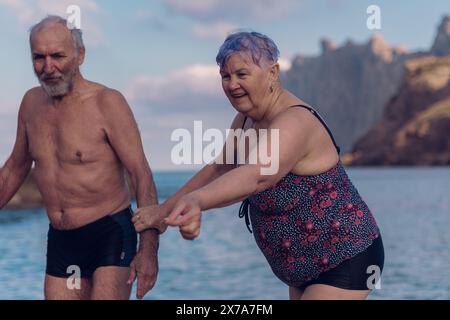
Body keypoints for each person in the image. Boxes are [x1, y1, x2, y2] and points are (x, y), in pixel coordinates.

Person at [133, 31, 384, 300]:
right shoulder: (244, 121)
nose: (232, 84)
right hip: (302, 267)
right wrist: (164, 212)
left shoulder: (295, 121)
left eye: (242, 74)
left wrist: (197, 201)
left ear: (273, 72)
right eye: (225, 76)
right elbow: (220, 168)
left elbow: (256, 176)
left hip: (345, 255)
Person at [0, 16, 159, 300]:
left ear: (80, 55)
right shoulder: (31, 104)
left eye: (58, 56)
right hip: (61, 239)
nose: (48, 68)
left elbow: (141, 174)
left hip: (109, 233)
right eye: (39, 57)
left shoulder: (108, 103)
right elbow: (15, 168)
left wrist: (148, 250)